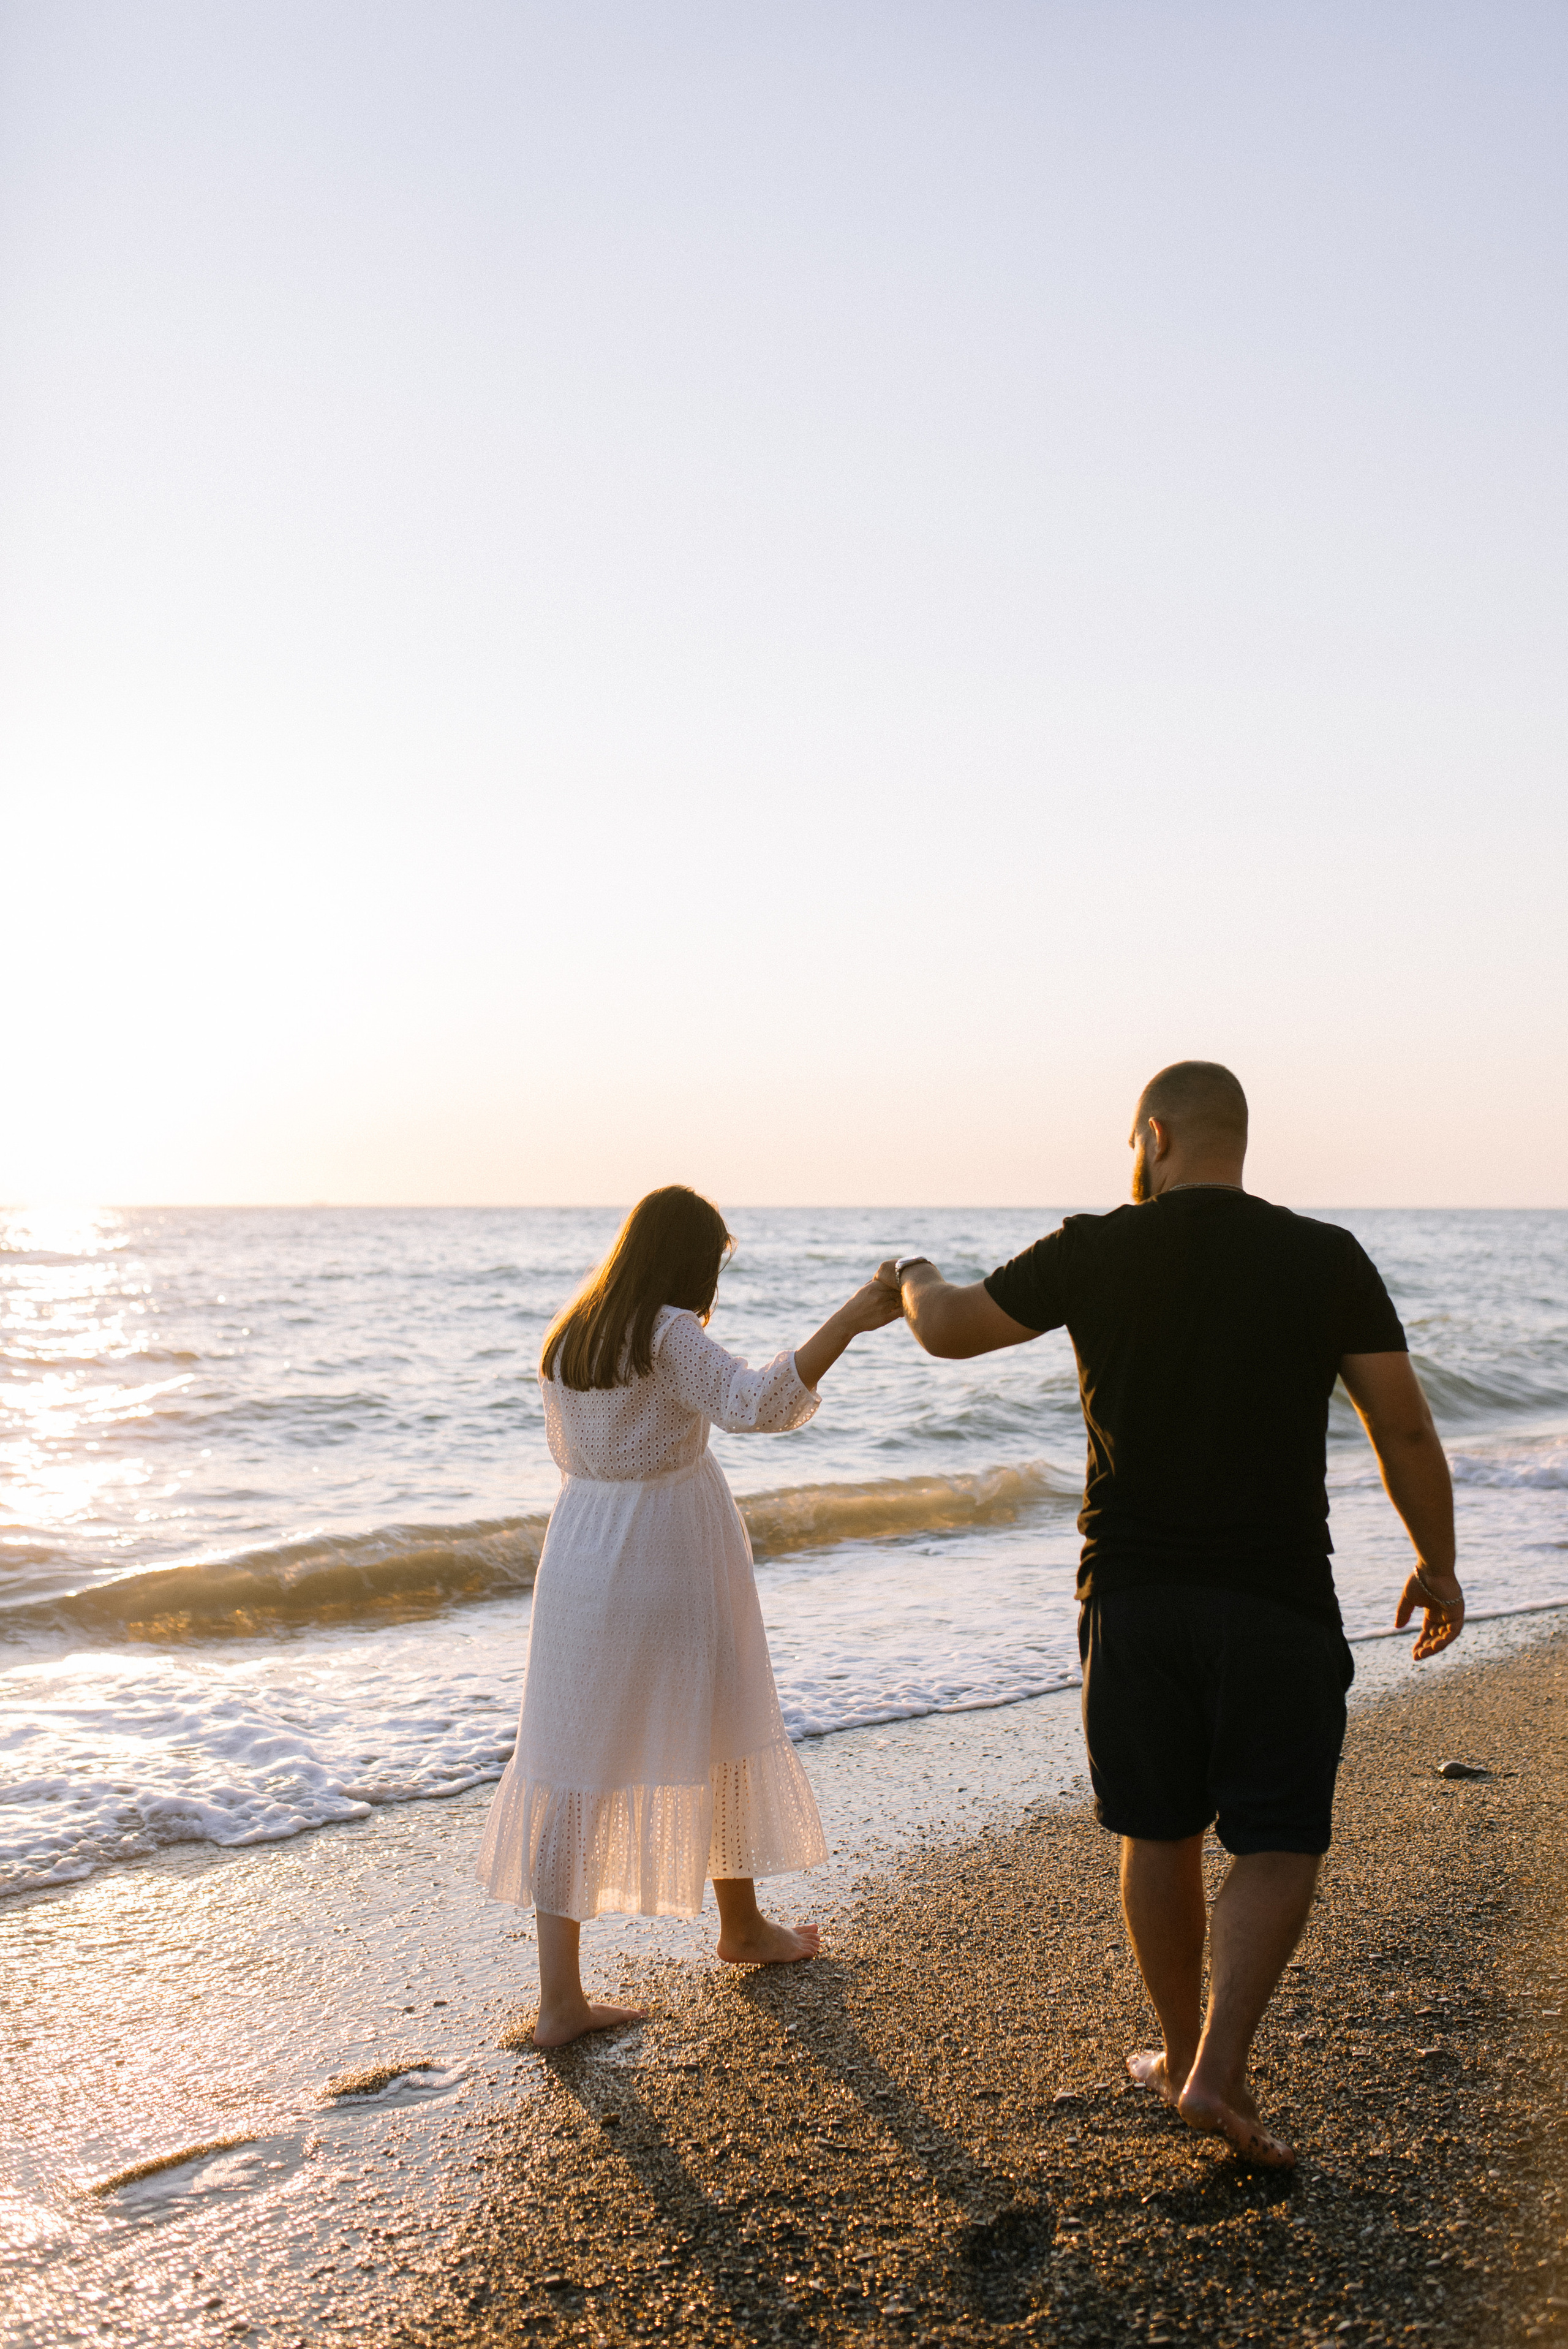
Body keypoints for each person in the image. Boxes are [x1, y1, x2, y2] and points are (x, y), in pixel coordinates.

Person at [876, 1061, 1462, 2166]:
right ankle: (1219, 2068)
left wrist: (911, 1270)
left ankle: (1180, 2047)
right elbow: (1408, 1429)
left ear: (1153, 1135)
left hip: (1136, 1598)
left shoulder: (1097, 1245)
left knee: (1161, 1830)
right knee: (1279, 1839)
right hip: (1279, 1596)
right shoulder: (1324, 1257)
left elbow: (948, 1328)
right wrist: (1437, 1561)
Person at [478, 1183, 902, 2048]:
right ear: (688, 1260)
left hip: (581, 1551)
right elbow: (757, 1403)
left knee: (568, 1758)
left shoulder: (571, 1335)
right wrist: (853, 1316)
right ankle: (741, 1927)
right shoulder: (669, 1330)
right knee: (720, 1721)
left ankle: (561, 1997)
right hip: (670, 1548)